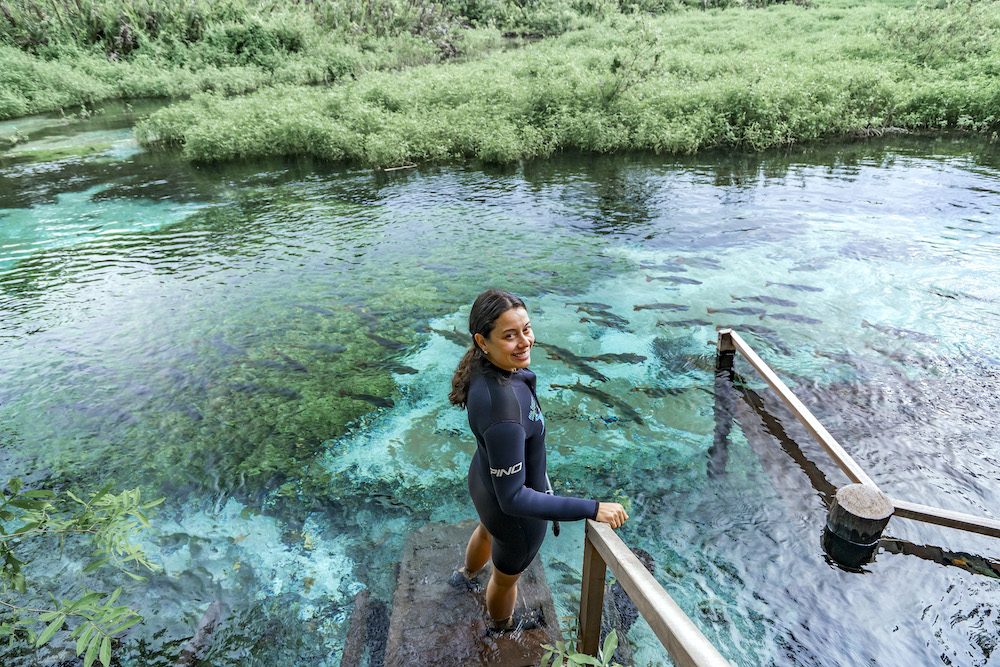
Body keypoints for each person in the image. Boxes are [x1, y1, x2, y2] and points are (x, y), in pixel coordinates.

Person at [448, 288, 629, 634]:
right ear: (482, 341)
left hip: (485, 483)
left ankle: (465, 575)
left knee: (486, 529)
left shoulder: (486, 372)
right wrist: (591, 508)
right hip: (513, 515)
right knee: (504, 580)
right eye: (510, 335)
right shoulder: (503, 409)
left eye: (526, 329)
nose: (524, 342)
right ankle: (501, 627)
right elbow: (514, 498)